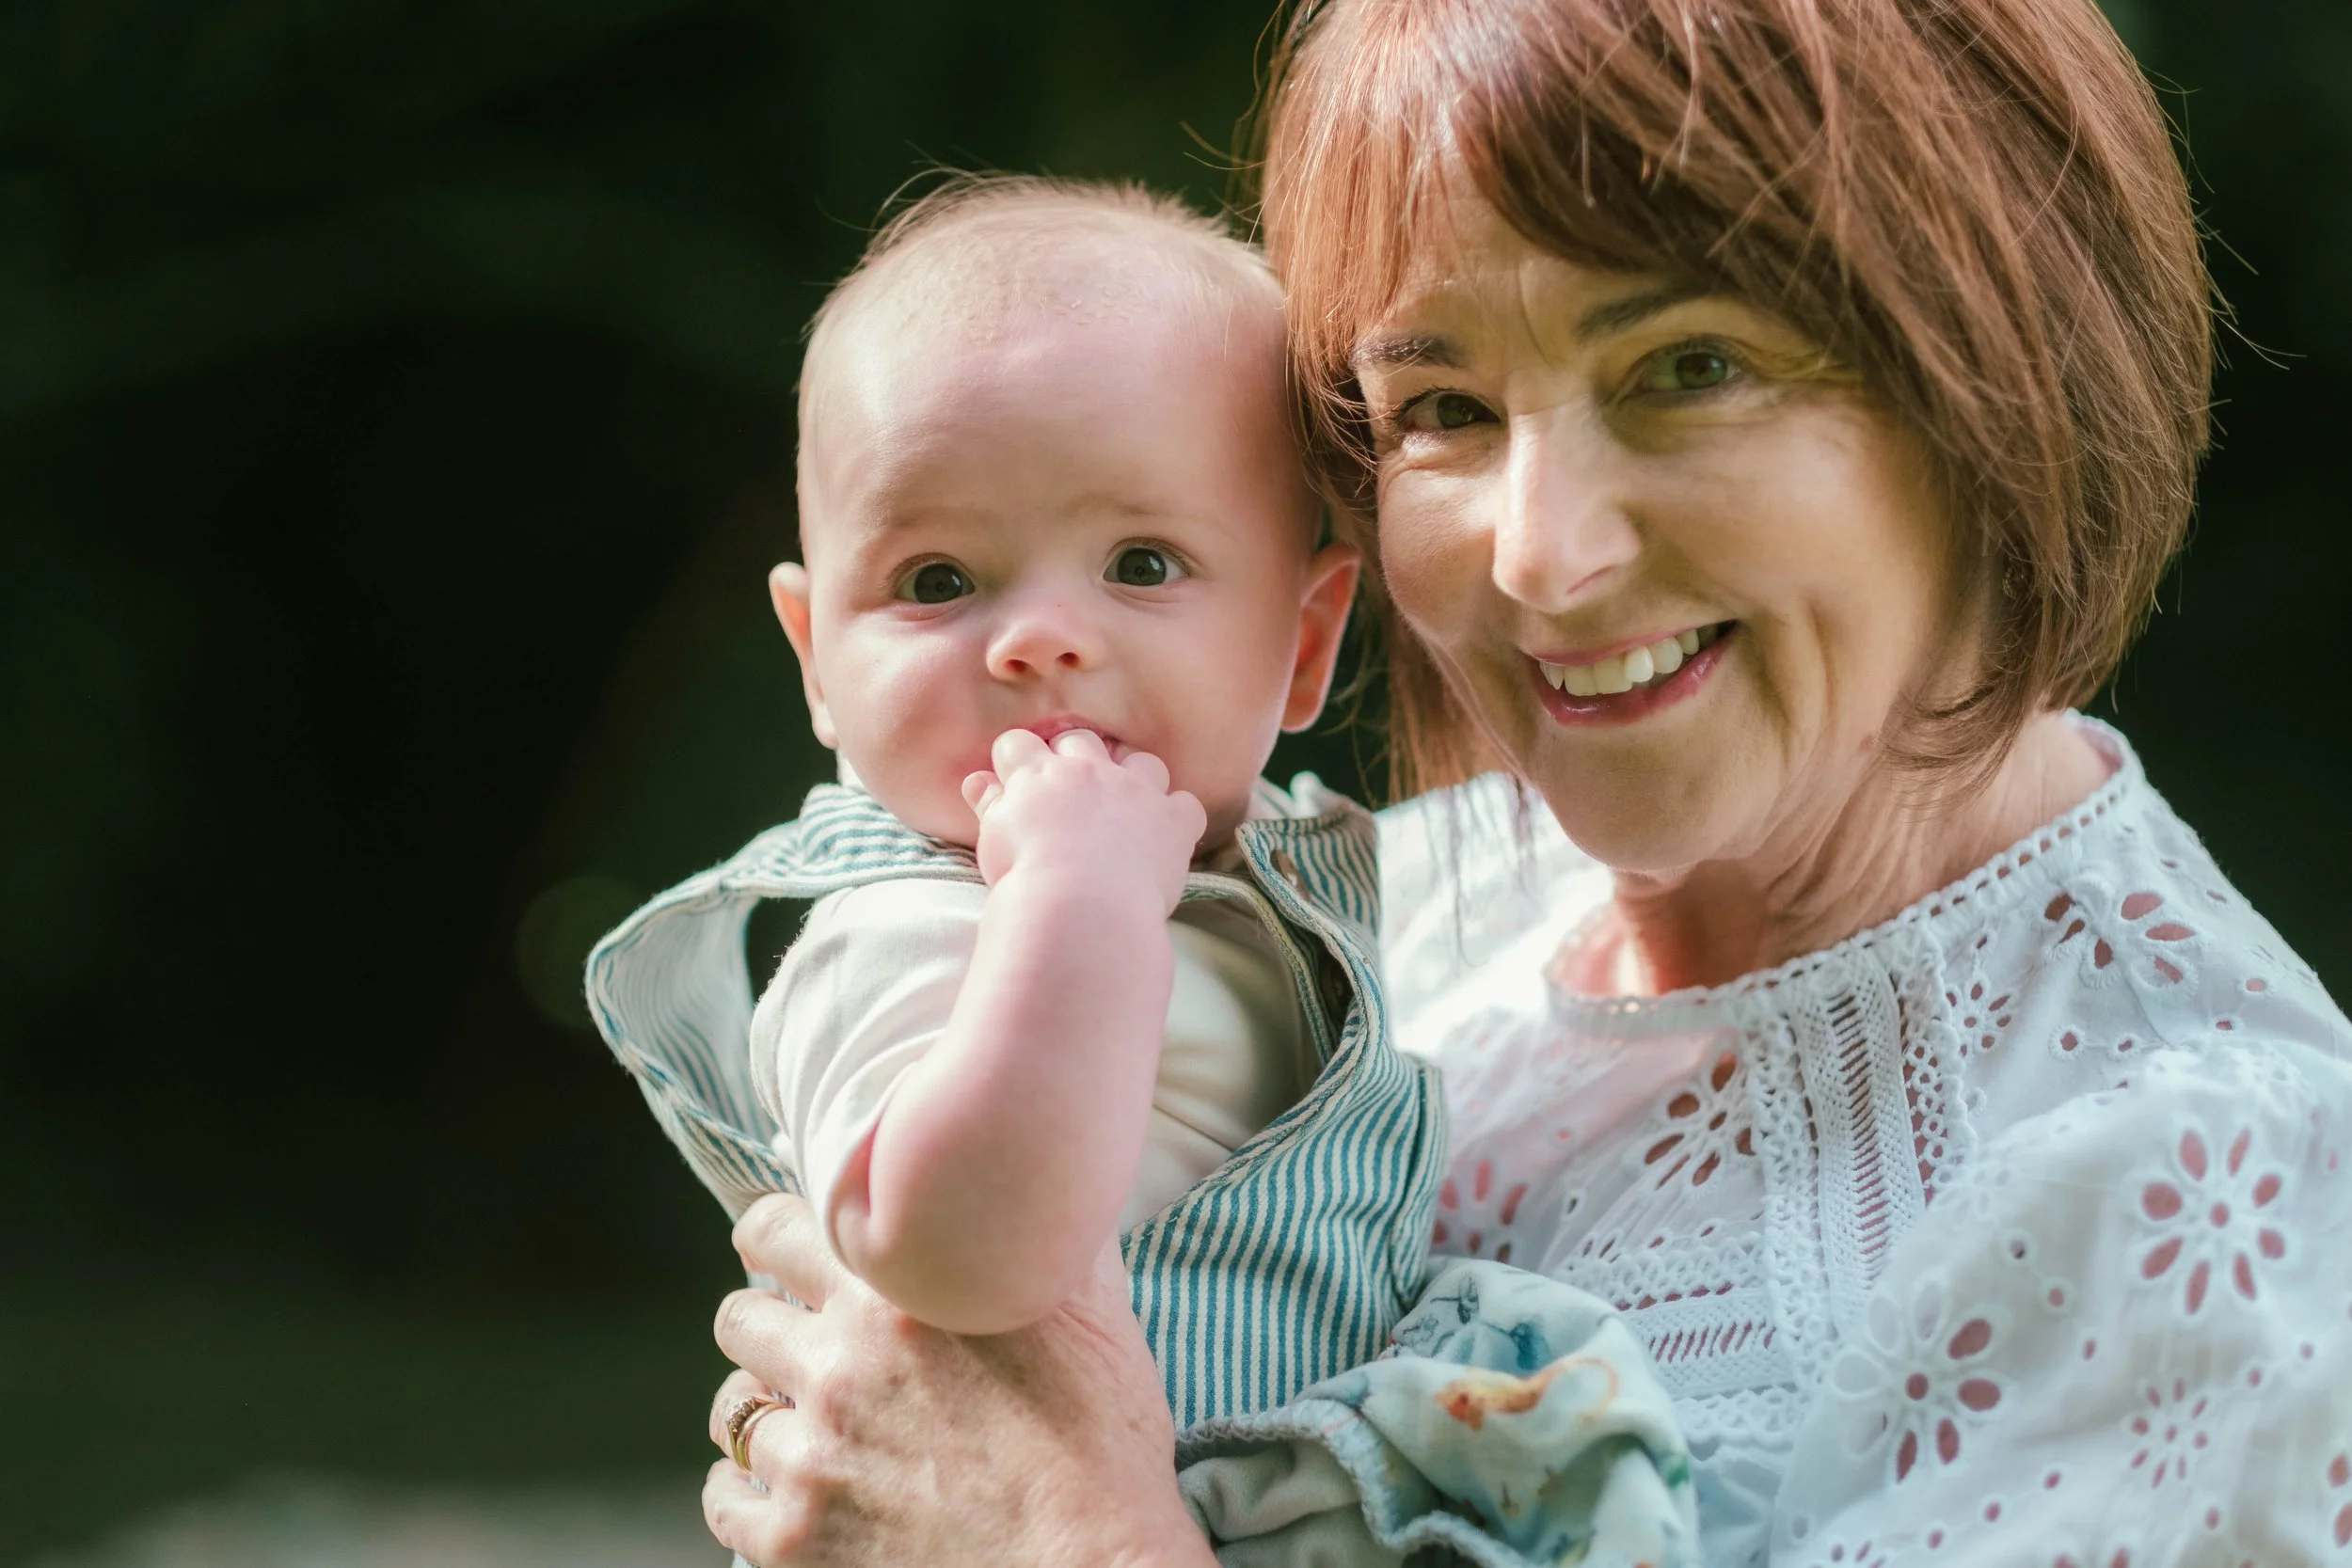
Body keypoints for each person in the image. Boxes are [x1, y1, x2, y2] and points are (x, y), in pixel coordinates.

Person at [693, 0, 2352, 1564]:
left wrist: (1070, 1536)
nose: (1542, 555)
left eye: (1689, 366)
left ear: (2000, 373)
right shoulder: (1376, 909)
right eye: (1444, 408)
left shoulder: (2218, 1211)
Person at [591, 176, 1702, 1565]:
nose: (1040, 637)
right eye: (939, 580)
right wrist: (1076, 903)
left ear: (1303, 646)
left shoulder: (1281, 873)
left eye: (1142, 560)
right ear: (819, 657)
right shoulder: (908, 931)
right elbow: (955, 1257)